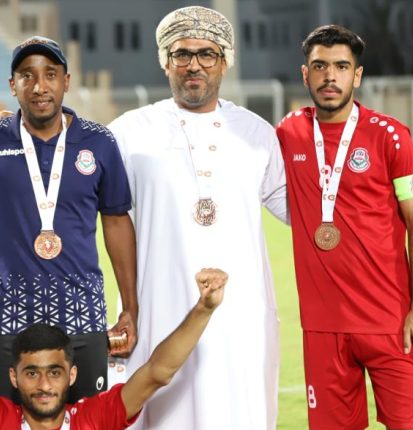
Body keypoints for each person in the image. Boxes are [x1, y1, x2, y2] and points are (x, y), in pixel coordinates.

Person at [107, 6, 288, 429]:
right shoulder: (128, 132)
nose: (194, 65)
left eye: (207, 54)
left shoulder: (257, 133)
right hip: (158, 308)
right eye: (181, 54)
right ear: (164, 61)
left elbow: (301, 213)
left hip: (240, 314)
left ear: (225, 61)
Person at [0, 36, 138, 403]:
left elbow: (116, 220)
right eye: (27, 76)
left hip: (81, 315)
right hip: (7, 317)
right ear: (12, 85)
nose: (39, 86)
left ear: (66, 81)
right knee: (3, 423)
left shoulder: (99, 142)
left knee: (85, 423)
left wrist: (130, 308)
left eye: (50, 74)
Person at [275, 25, 413, 430]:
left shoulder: (391, 137)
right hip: (323, 328)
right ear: (304, 74)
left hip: (391, 323)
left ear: (357, 75)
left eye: (342, 66)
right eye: (320, 66)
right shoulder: (288, 133)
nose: (330, 76)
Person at [0, 264, 227, 430]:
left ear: (71, 376)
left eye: (54, 373)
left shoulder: (93, 419)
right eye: (32, 373)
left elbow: (157, 373)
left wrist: (204, 309)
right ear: (14, 377)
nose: (44, 385)